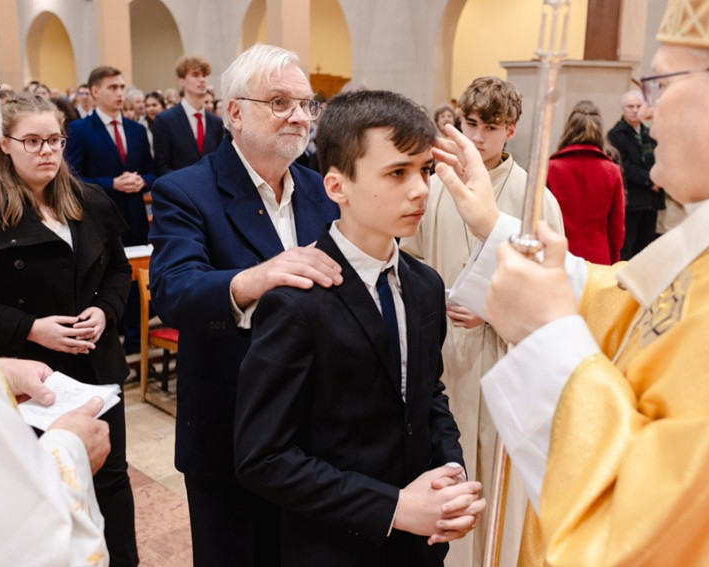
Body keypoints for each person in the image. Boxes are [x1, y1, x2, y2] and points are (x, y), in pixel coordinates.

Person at [434, 0, 709, 563]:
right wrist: (494, 227)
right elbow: (629, 306)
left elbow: (653, 532)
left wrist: (546, 334)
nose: (648, 114)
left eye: (659, 85)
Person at [234, 89, 485, 566]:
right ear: (337, 187)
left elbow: (427, 394)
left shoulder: (425, 285)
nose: (420, 190)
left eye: (425, 170)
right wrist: (393, 508)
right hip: (335, 546)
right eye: (397, 173)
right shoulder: (296, 301)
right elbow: (263, 457)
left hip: (419, 546)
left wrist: (450, 472)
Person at [148, 43, 341, 567]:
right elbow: (173, 290)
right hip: (230, 427)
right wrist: (255, 278)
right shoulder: (186, 190)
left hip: (317, 429)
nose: (299, 116)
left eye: (306, 104)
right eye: (279, 102)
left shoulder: (320, 189)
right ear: (234, 112)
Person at [0, 93, 139, 566]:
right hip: (29, 375)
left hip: (95, 364)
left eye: (55, 140)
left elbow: (118, 270)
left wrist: (105, 310)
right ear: (5, 145)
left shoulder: (90, 200)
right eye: (33, 141)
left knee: (111, 479)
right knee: (41, 488)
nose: (47, 151)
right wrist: (30, 327)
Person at [400, 75, 563, 567]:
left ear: (510, 129)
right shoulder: (436, 185)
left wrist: (490, 310)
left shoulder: (534, 196)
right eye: (471, 123)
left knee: (497, 476)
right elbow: (410, 258)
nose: (478, 136)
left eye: (491, 127)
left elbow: (553, 287)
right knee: (446, 469)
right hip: (442, 351)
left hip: (504, 356)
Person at [65, 65, 155, 355]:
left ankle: (136, 345)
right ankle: (111, 344)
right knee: (107, 280)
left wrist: (142, 181)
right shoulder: (79, 130)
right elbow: (73, 178)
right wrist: (112, 183)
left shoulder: (136, 130)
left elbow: (152, 171)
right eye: (112, 87)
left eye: (121, 87)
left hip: (134, 216)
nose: (119, 93)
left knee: (135, 280)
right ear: (95, 91)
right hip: (99, 219)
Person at [547, 100, 625, 264]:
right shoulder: (611, 171)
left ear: (569, 129)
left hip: (558, 256)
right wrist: (612, 260)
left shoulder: (550, 168)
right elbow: (616, 227)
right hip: (598, 256)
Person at [608, 89, 664, 259]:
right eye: (630, 106)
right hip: (631, 200)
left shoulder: (650, 133)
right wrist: (650, 180)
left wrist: (659, 178)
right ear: (623, 109)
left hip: (651, 200)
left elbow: (660, 158)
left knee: (646, 250)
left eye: (638, 106)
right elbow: (623, 166)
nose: (634, 110)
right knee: (627, 249)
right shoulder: (616, 135)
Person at [152, 55, 224, 177]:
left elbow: (219, 161)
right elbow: (162, 166)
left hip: (210, 186)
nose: (202, 80)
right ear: (182, 81)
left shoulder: (216, 122)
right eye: (195, 75)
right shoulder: (165, 120)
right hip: (177, 186)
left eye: (204, 75)